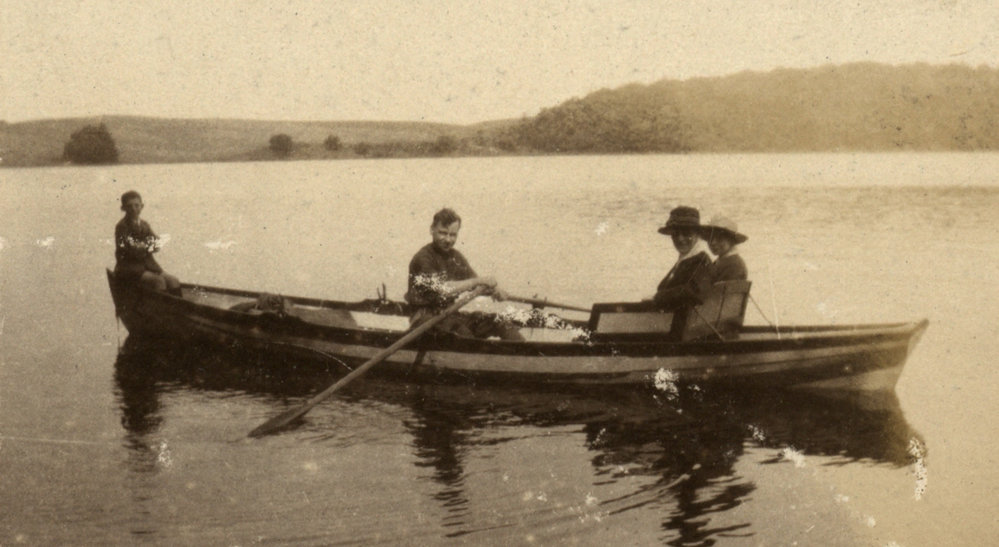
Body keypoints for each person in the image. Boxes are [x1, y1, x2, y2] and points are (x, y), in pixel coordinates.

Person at [405, 208, 524, 340]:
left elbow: (478, 285)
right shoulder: (423, 258)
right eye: (443, 233)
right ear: (431, 230)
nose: (448, 240)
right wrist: (477, 282)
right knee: (464, 334)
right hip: (424, 320)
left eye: (453, 235)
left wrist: (495, 290)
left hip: (449, 315)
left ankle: (527, 358)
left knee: (500, 322)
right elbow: (443, 289)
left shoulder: (456, 257)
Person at [114, 190, 181, 296]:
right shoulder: (122, 227)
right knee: (159, 281)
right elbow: (131, 249)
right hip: (129, 268)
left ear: (142, 206)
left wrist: (146, 245)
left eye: (136, 205)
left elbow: (157, 244)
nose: (134, 209)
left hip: (149, 265)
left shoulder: (144, 225)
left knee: (174, 281)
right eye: (129, 206)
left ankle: (178, 310)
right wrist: (147, 245)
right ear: (123, 208)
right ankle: (159, 310)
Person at [652, 206, 713, 310]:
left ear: (697, 234)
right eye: (675, 234)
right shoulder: (686, 260)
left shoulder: (700, 261)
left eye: (686, 234)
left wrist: (658, 297)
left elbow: (694, 291)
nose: (680, 239)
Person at [700, 216, 749, 282]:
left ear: (731, 241)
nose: (713, 243)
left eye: (719, 238)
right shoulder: (721, 261)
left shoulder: (734, 265)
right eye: (710, 238)